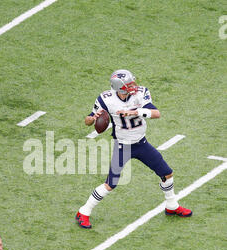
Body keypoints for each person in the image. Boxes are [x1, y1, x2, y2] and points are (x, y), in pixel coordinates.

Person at [76, 69, 192, 229]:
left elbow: (156, 113)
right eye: (129, 84)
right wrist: (93, 118)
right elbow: (87, 121)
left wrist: (134, 112)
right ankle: (83, 211)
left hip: (141, 144)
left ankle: (171, 205)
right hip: (122, 146)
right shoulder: (105, 99)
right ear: (120, 88)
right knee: (111, 184)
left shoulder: (140, 93)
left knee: (167, 173)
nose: (134, 86)